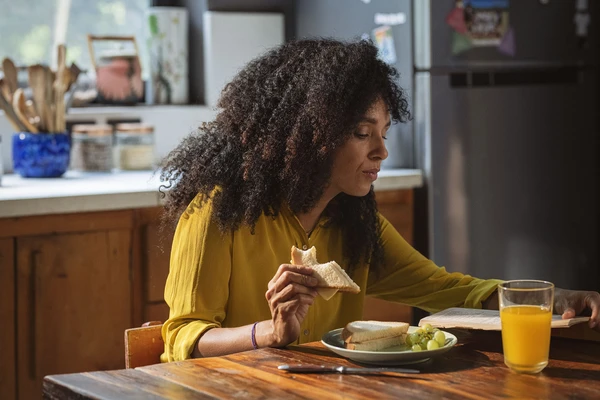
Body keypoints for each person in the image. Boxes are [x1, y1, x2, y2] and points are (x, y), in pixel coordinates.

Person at [158, 38, 600, 362]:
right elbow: (182, 337)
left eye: (384, 133)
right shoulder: (217, 211)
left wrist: (549, 297)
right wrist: (270, 333)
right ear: (309, 135)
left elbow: (447, 290)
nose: (381, 151)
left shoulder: (354, 224)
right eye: (361, 133)